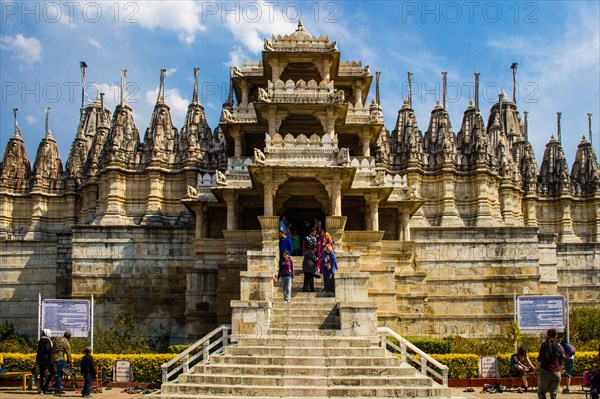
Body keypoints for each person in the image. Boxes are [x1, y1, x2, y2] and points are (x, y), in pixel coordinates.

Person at [537, 328, 564, 399]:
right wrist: (559, 371)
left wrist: (536, 369)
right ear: (556, 336)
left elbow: (540, 359)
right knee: (554, 394)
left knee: (541, 392)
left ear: (547, 335)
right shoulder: (559, 346)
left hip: (545, 372)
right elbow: (560, 361)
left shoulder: (544, 345)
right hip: (556, 373)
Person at [51, 330, 73, 395]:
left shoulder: (57, 339)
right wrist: (71, 363)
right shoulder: (66, 342)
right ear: (69, 336)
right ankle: (58, 390)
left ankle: (58, 386)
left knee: (58, 373)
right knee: (62, 372)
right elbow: (68, 353)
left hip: (52, 358)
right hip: (59, 359)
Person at [36, 329, 55, 394]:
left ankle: (41, 387)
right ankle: (45, 386)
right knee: (52, 372)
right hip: (46, 359)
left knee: (42, 374)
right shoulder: (47, 340)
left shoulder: (40, 340)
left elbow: (38, 351)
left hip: (40, 359)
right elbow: (48, 349)